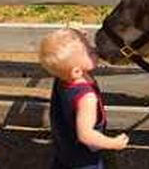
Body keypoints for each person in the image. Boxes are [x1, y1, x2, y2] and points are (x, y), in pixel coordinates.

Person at [39, 28, 129, 169]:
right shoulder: (87, 98)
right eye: (89, 52)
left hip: (64, 143)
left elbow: (62, 54)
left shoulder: (63, 76)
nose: (95, 49)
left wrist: (77, 37)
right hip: (83, 158)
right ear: (76, 71)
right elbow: (86, 135)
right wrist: (113, 143)